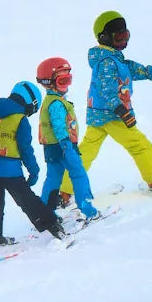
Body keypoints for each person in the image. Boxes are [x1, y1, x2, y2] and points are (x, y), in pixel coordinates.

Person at [59, 11, 152, 206]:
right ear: (104, 37)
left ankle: (65, 191)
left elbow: (137, 69)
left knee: (85, 152)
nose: (124, 41)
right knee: (139, 145)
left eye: (126, 36)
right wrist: (120, 110)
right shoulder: (108, 62)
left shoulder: (114, 59)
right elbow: (106, 90)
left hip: (98, 115)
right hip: (113, 116)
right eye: (119, 37)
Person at [0, 81, 67, 243]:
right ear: (31, 103)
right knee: (27, 199)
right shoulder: (21, 120)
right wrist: (33, 170)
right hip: (10, 170)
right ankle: (52, 224)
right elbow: (25, 149)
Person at [36, 57, 100, 221]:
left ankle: (45, 213)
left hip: (51, 148)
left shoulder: (50, 100)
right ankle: (87, 209)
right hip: (64, 145)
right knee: (78, 174)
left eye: (69, 79)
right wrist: (66, 146)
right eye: (63, 80)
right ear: (48, 82)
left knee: (53, 178)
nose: (67, 85)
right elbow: (59, 127)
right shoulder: (56, 103)